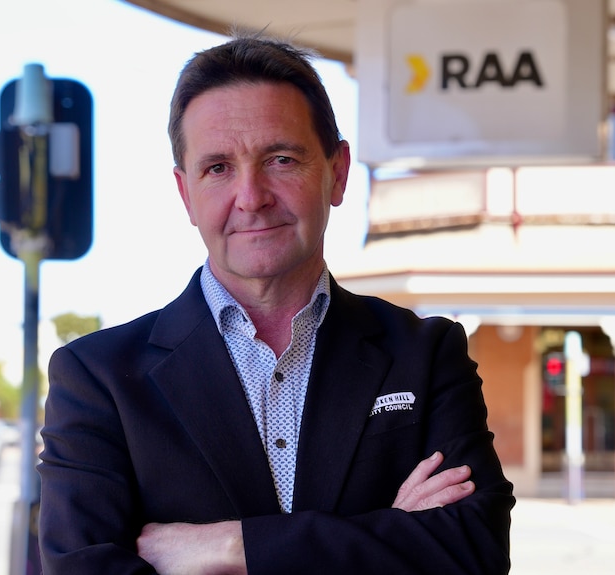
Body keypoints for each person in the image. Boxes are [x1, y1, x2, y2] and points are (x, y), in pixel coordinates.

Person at [37, 33, 515, 575]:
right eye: (217, 168)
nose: (252, 196)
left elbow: (474, 553)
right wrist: (389, 535)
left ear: (337, 172)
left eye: (281, 159)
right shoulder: (98, 379)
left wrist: (227, 547)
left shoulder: (426, 354)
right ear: (184, 193)